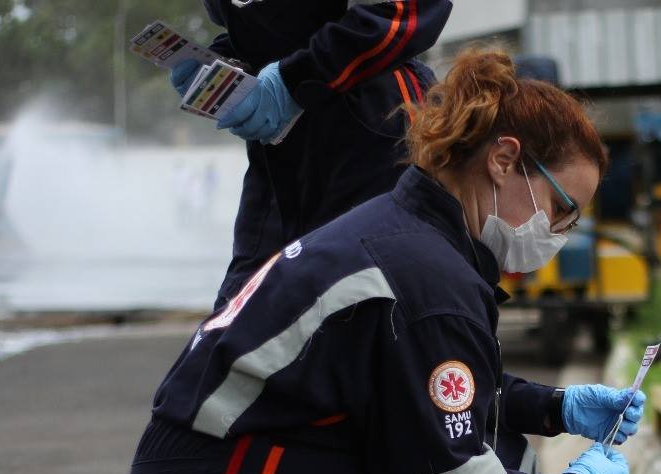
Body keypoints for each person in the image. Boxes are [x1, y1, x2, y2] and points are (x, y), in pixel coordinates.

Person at [110, 48, 645, 474]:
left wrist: (557, 407)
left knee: (503, 447)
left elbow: (419, 395)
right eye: (562, 209)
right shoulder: (429, 280)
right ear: (504, 161)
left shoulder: (411, 234)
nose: (557, 231)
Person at [172, 0, 453, 310]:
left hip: (373, 122)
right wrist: (225, 63)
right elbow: (270, 25)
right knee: (243, 306)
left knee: (370, 303)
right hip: (282, 142)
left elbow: (410, 9)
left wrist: (295, 79)